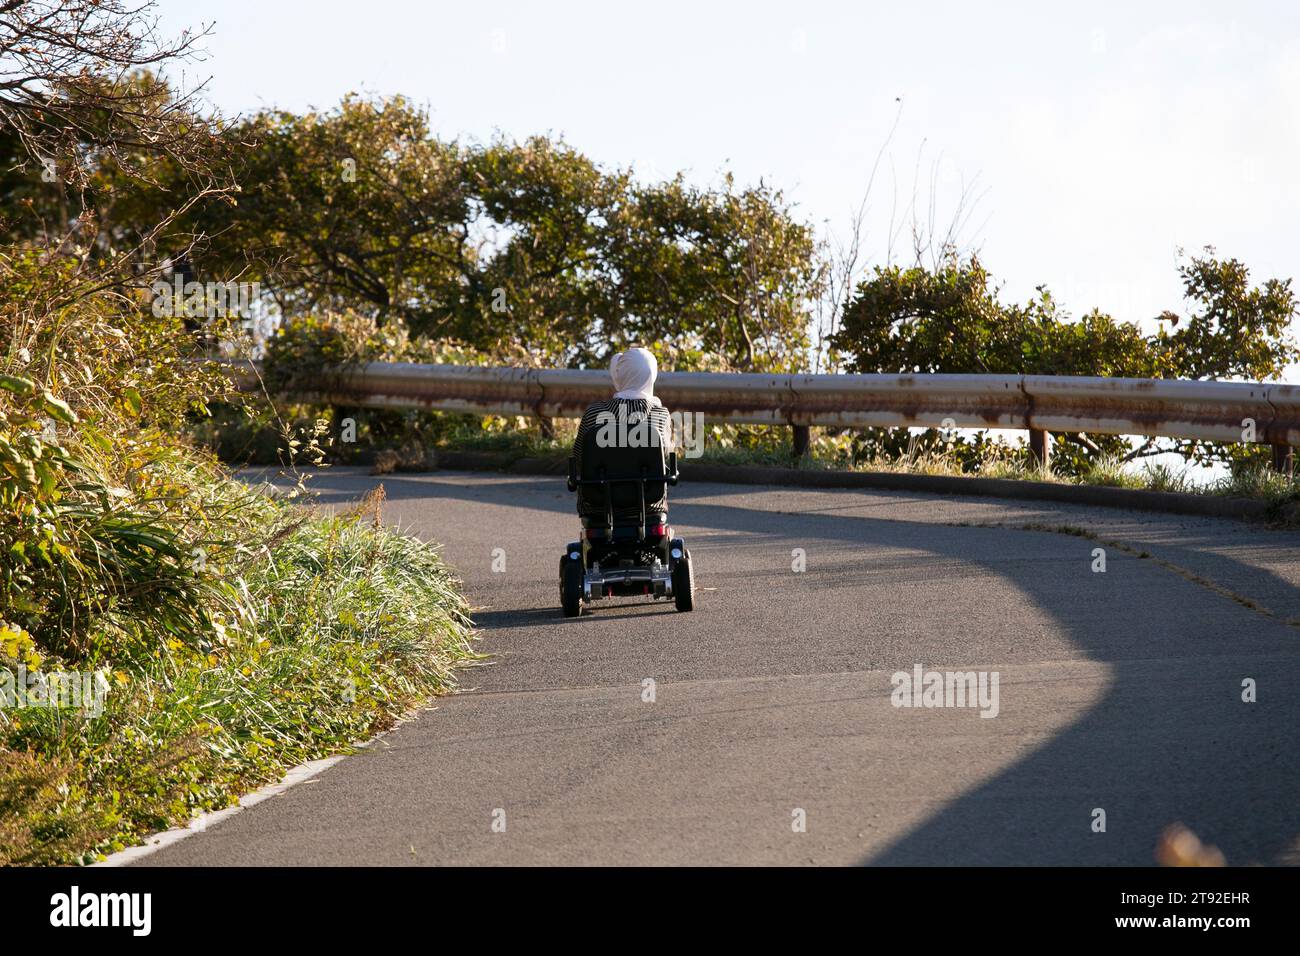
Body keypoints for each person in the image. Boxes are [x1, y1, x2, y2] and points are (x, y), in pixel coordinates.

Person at [571, 347, 673, 525]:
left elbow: (579, 458)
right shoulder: (660, 415)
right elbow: (665, 462)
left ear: (620, 375)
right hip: (649, 507)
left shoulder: (594, 412)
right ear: (652, 375)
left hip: (598, 506)